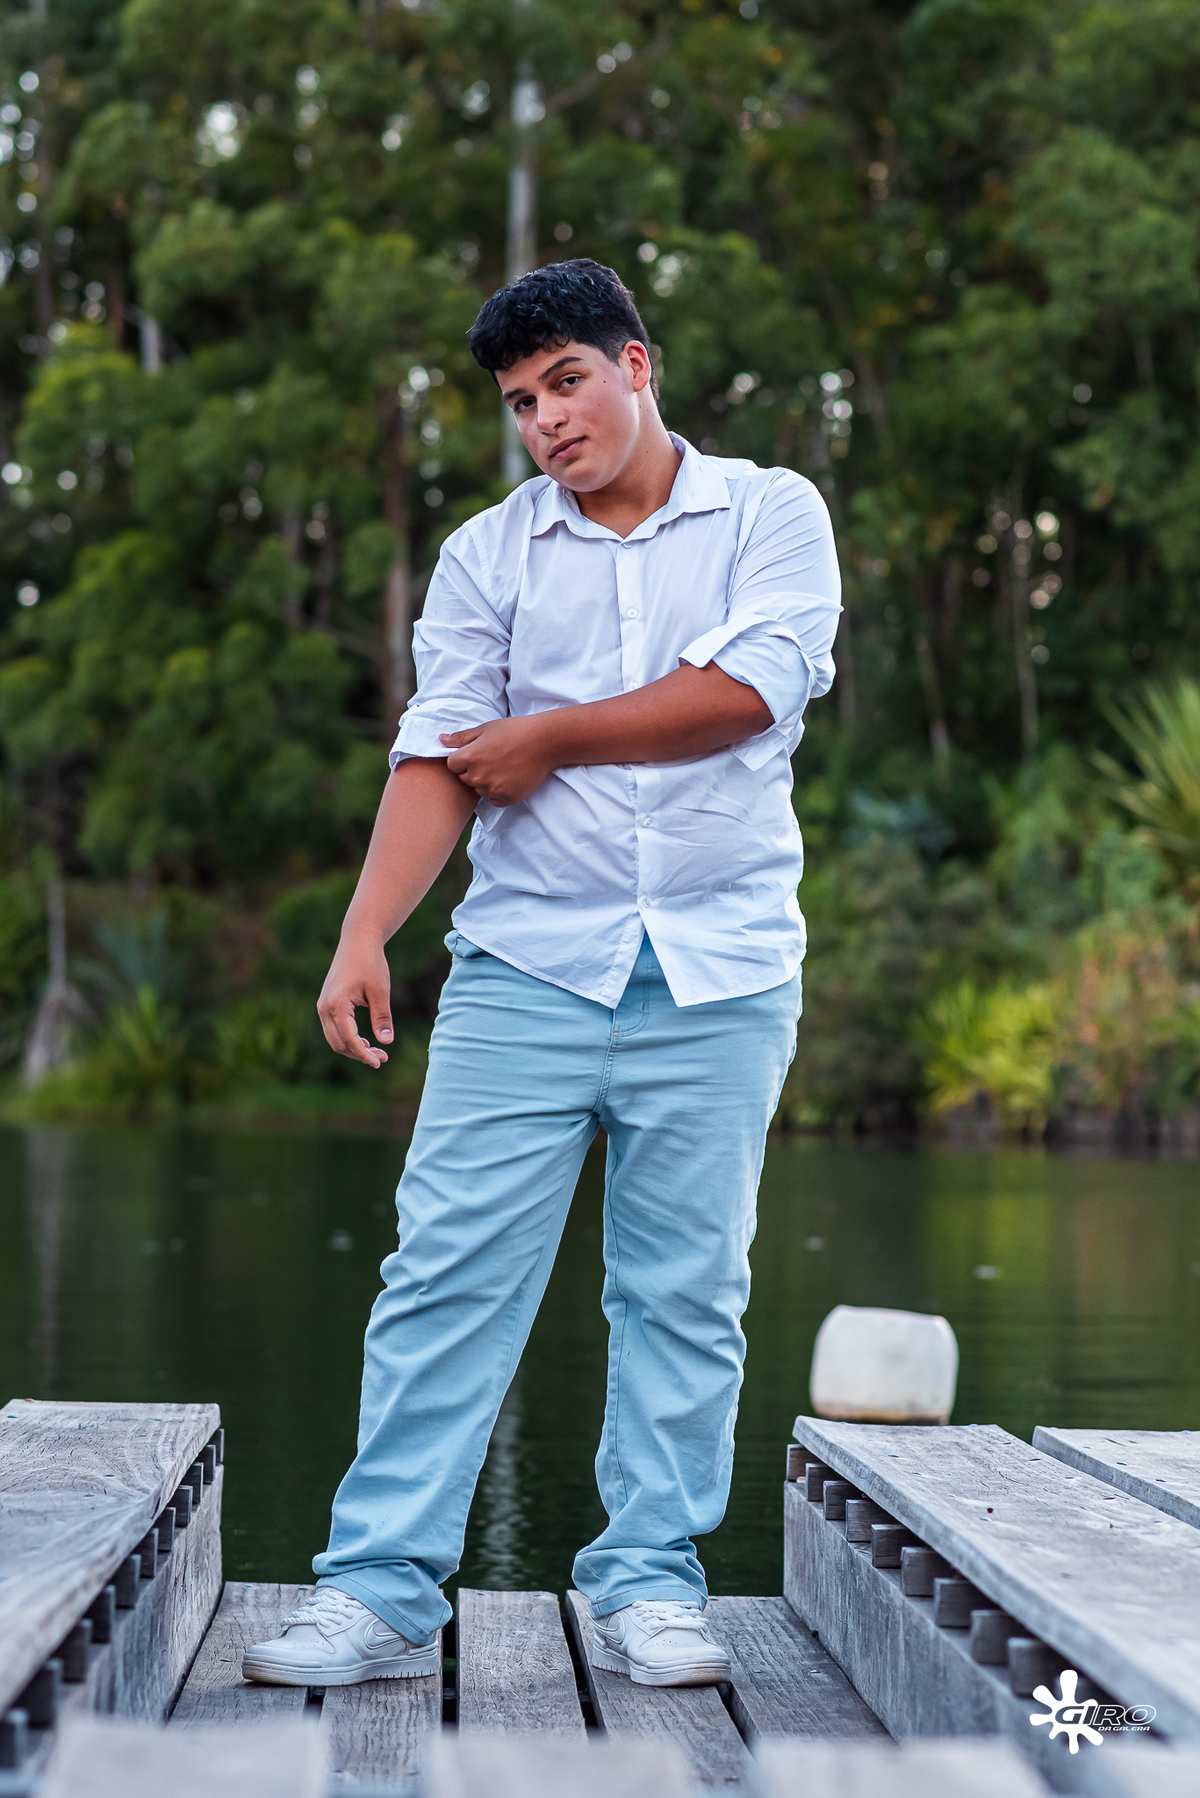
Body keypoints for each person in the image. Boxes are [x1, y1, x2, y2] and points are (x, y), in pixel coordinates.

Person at [243, 259, 841, 1691]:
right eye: (520, 402)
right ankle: (380, 1592)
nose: (546, 421)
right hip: (525, 966)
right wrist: (363, 933)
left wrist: (550, 735)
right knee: (443, 1275)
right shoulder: (486, 555)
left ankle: (649, 1580)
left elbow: (747, 692)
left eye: (566, 382)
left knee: (685, 1290)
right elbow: (439, 752)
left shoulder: (770, 513)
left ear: (636, 365)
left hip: (721, 971)